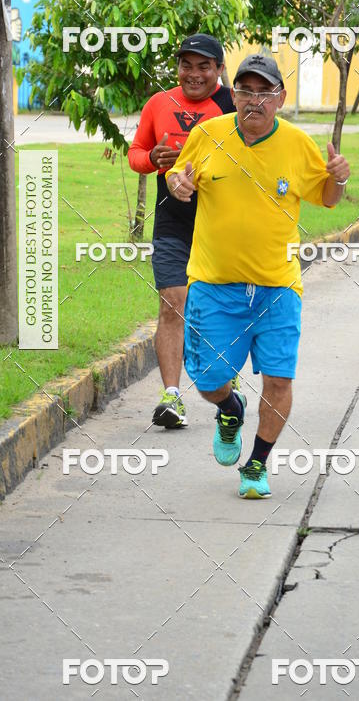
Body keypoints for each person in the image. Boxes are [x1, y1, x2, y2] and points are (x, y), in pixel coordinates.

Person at [165, 53, 350, 498]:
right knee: (208, 379)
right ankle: (230, 409)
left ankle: (256, 464)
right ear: (235, 94)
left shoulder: (298, 144)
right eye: (245, 91)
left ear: (279, 98)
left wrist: (338, 179)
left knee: (280, 379)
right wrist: (177, 183)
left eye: (264, 92)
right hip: (214, 285)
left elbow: (326, 197)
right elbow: (179, 174)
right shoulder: (208, 134)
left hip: (278, 288)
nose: (253, 101)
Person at [127, 34, 236, 429]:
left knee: (217, 309)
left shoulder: (232, 107)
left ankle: (225, 383)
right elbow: (135, 153)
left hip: (221, 225)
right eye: (186, 65)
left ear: (219, 70)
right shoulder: (158, 103)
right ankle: (172, 396)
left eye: (203, 66)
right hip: (172, 221)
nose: (193, 74)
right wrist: (152, 158)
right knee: (173, 301)